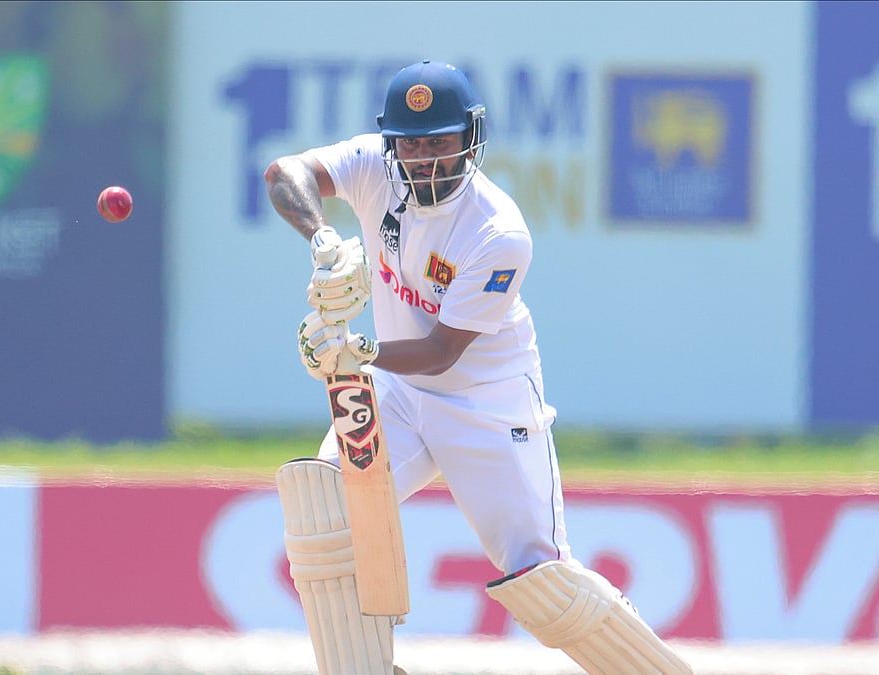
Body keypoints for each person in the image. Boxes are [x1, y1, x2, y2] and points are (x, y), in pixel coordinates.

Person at [265, 60, 693, 675]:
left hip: (486, 404)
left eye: (440, 142)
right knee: (323, 506)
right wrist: (321, 239)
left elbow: (442, 353)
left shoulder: (498, 232)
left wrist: (355, 354)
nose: (425, 160)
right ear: (390, 143)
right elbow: (287, 173)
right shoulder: (371, 168)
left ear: (470, 139)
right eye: (410, 144)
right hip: (395, 394)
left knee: (544, 583)